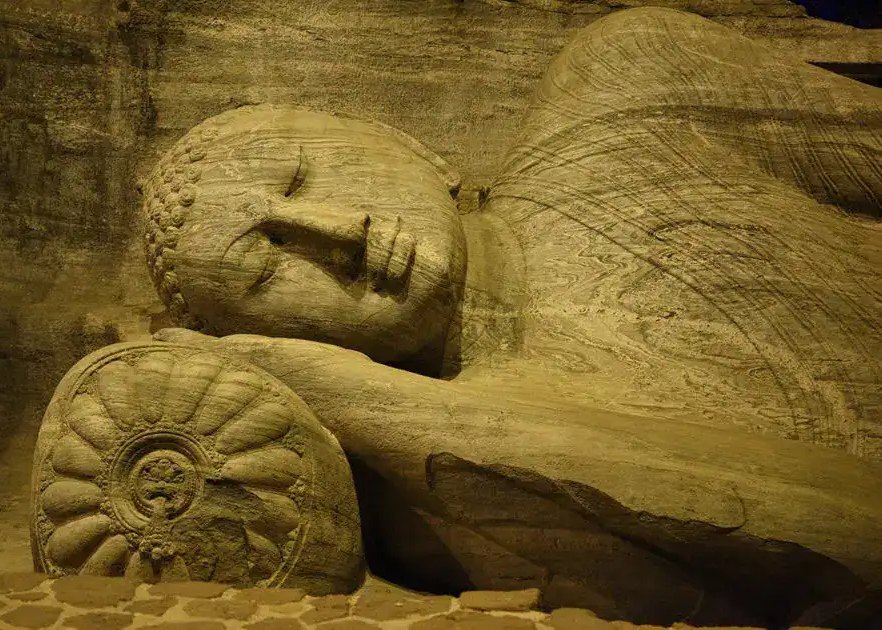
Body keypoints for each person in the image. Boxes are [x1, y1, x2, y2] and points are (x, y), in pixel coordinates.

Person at [145, 7, 882, 627]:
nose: (340, 232)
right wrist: (350, 397)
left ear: (413, 144)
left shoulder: (626, 90)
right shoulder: (461, 482)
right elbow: (845, 537)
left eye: (302, 176)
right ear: (274, 340)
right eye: (266, 268)